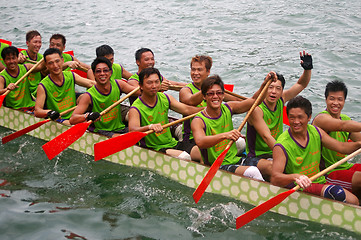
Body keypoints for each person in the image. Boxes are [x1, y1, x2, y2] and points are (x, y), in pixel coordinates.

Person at [271, 96, 360, 205]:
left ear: (309, 117)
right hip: (299, 186)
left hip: (318, 180)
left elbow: (341, 147)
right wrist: (295, 176)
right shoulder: (281, 145)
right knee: (337, 193)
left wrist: (359, 144)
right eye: (292, 117)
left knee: (354, 201)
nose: (296, 122)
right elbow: (275, 178)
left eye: (300, 117)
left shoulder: (315, 131)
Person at [191, 74, 276, 180]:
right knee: (253, 172)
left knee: (271, 166)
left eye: (219, 93)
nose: (215, 97)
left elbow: (254, 101)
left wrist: (265, 84)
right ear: (204, 96)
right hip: (217, 166)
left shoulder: (228, 108)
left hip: (234, 159)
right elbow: (200, 142)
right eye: (211, 94)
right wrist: (225, 135)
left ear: (223, 95)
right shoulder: (198, 120)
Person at [244, 51, 313, 180]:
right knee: (273, 167)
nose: (273, 92)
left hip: (276, 151)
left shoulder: (281, 99)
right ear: (264, 89)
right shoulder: (256, 110)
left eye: (277, 88)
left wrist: (307, 69)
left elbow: (301, 84)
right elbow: (266, 136)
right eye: (270, 87)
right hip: (257, 157)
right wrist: (286, 155)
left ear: (282, 91)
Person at [128, 67, 201, 161]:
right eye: (149, 83)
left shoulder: (165, 98)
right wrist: (149, 127)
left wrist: (207, 109)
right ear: (141, 86)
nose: (154, 86)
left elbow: (187, 110)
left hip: (172, 143)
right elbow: (132, 131)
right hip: (155, 149)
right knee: (184, 157)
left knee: (202, 153)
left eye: (157, 82)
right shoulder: (136, 108)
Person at [312, 80, 361, 199]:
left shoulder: (345, 118)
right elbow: (342, 126)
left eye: (340, 99)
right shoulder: (321, 119)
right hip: (327, 173)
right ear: (326, 100)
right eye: (332, 99)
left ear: (344, 101)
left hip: (345, 167)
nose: (335, 103)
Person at [69, 57, 139, 137]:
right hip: (101, 131)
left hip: (120, 127)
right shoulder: (88, 95)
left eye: (105, 70)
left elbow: (138, 92)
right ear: (94, 74)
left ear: (110, 72)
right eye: (98, 71)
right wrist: (88, 116)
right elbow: (72, 119)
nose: (102, 74)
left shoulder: (119, 84)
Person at [34, 48, 95, 124]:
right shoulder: (43, 85)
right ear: (46, 65)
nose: (55, 66)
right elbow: (37, 111)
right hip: (59, 118)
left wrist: (109, 86)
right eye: (51, 63)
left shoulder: (70, 75)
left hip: (74, 116)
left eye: (57, 61)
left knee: (85, 97)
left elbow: (91, 84)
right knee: (69, 123)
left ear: (62, 61)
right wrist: (49, 112)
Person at [0, 46, 44, 111]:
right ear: (4, 61)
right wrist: (7, 89)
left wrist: (47, 58)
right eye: (8, 59)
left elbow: (41, 67)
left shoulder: (26, 67)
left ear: (17, 58)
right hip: (14, 109)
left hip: (31, 105)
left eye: (13, 58)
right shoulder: (2, 77)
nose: (11, 61)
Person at [18, 30, 44, 96]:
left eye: (40, 42)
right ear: (27, 43)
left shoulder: (41, 58)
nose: (38, 45)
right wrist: (18, 60)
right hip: (25, 91)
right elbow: (16, 59)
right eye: (35, 42)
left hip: (38, 89)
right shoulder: (21, 55)